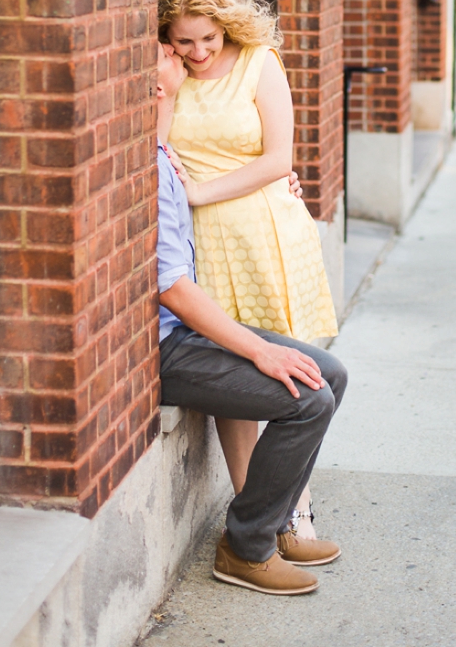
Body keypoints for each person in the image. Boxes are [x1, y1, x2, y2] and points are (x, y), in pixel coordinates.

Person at [156, 42, 347, 595]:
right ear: (159, 86)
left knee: (330, 374)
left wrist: (276, 183)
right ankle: (245, 547)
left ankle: (275, 522)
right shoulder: (150, 164)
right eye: (170, 50)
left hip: (189, 330)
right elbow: (170, 288)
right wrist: (258, 349)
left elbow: (256, 153)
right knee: (308, 398)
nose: (182, 53)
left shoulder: (169, 152)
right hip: (167, 345)